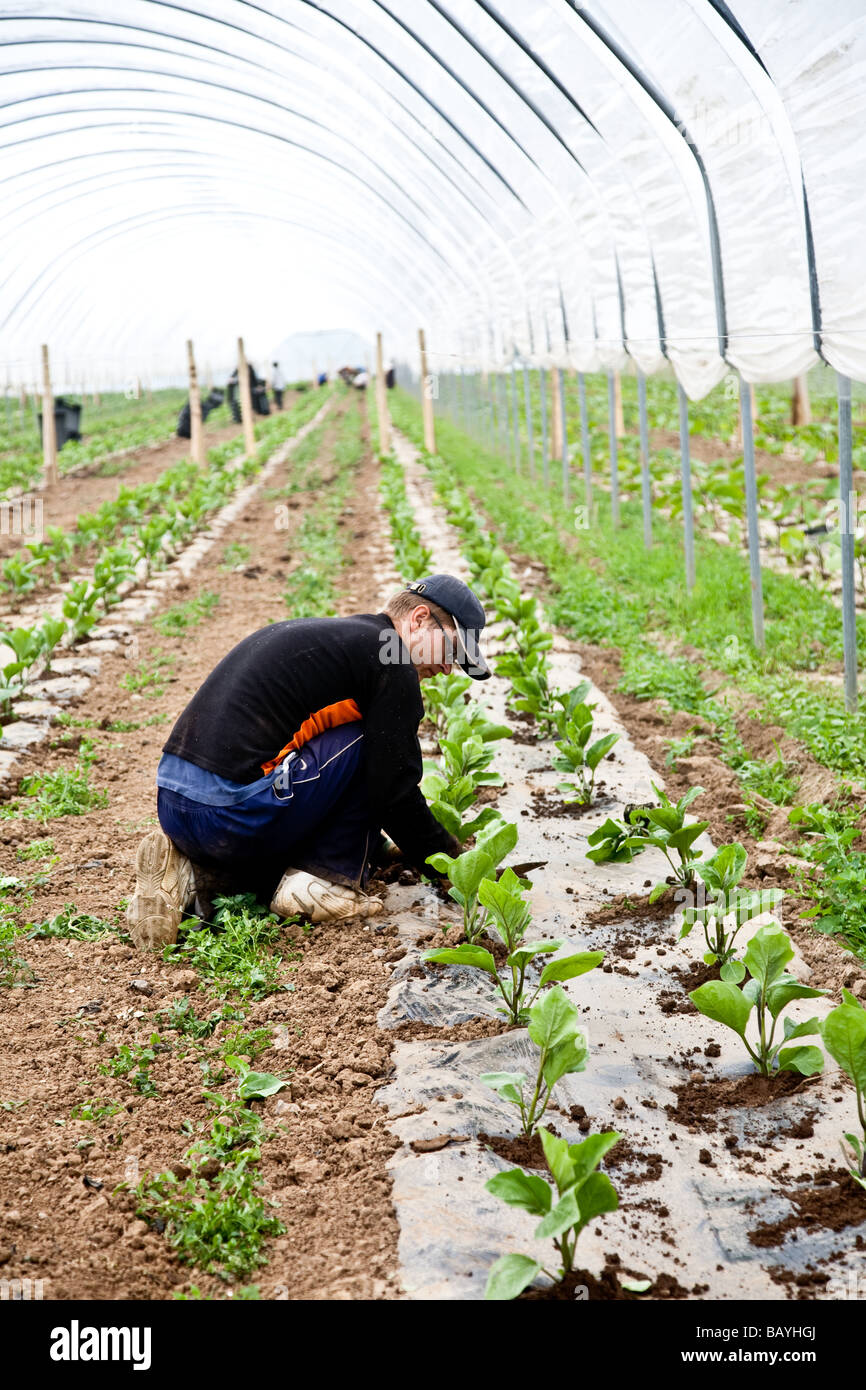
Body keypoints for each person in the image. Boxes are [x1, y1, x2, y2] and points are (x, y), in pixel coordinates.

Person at [125, 575, 491, 949]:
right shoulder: (391, 661)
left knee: (344, 744)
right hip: (231, 816)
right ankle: (319, 882)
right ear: (418, 618)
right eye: (451, 650)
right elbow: (394, 791)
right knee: (372, 743)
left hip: (176, 805)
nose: (448, 669)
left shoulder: (343, 639)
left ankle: (191, 875)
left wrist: (381, 848)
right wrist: (451, 866)